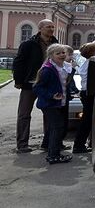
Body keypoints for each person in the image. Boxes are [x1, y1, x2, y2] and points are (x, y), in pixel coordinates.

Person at [13, 19, 58, 153]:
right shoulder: (29, 44)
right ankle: (22, 144)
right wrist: (18, 81)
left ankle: (48, 142)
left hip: (48, 83)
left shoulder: (55, 43)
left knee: (50, 113)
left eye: (52, 27)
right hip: (30, 83)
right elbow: (19, 62)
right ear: (40, 28)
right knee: (24, 114)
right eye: (48, 27)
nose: (51, 29)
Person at [33, 44, 72, 164]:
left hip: (60, 102)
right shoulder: (47, 70)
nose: (62, 55)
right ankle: (53, 155)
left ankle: (49, 147)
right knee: (57, 127)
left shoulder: (66, 67)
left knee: (55, 127)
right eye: (58, 53)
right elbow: (37, 88)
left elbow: (66, 83)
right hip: (49, 104)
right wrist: (51, 95)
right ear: (51, 56)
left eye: (63, 52)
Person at [72, 42, 95, 153]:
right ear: (93, 53)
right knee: (86, 119)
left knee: (86, 119)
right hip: (89, 93)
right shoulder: (92, 63)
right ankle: (79, 145)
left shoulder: (85, 63)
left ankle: (79, 144)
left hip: (85, 92)